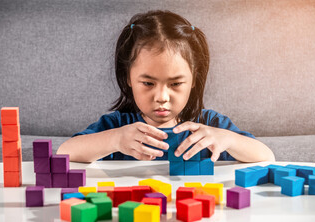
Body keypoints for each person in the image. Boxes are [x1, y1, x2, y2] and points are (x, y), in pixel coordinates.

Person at [57, 10, 275, 163]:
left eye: (176, 83)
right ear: (128, 78)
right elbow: (63, 153)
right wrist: (115, 140)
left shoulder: (210, 124)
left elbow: (266, 156)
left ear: (193, 80)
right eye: (148, 83)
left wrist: (227, 139)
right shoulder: (118, 125)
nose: (161, 96)